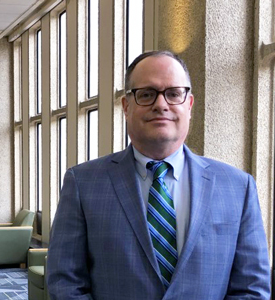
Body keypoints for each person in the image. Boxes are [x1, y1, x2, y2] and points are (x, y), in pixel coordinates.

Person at [46, 50, 271, 299]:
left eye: (174, 94)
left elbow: (251, 288)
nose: (161, 104)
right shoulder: (83, 183)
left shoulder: (238, 187)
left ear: (189, 104)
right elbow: (65, 283)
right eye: (146, 94)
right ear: (126, 106)